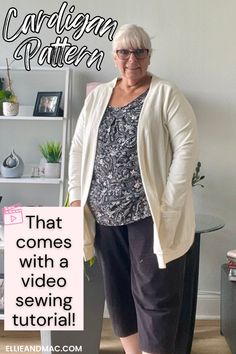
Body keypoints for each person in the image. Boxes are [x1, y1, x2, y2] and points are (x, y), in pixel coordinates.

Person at [68, 24, 198, 354]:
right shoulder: (98, 96)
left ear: (149, 56)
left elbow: (187, 146)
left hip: (148, 213)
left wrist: (171, 199)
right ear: (114, 57)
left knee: (155, 294)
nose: (132, 59)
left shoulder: (166, 93)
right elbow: (79, 146)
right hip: (103, 213)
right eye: (125, 52)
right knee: (118, 293)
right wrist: (75, 195)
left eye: (140, 51)